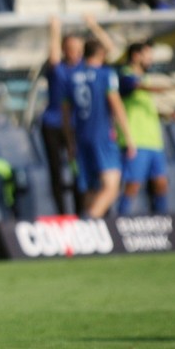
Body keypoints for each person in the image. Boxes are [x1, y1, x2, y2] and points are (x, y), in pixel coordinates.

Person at [42, 14, 118, 215]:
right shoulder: (61, 70)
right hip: (56, 124)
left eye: (78, 48)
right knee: (58, 173)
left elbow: (109, 51)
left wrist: (94, 26)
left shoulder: (85, 70)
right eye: (70, 47)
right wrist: (55, 31)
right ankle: (66, 215)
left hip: (78, 128)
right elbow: (54, 58)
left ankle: (85, 215)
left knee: (84, 177)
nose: (74, 52)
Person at [62, 39, 136, 219]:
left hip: (81, 137)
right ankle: (88, 223)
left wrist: (70, 142)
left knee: (91, 188)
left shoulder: (71, 76)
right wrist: (128, 137)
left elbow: (65, 114)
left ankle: (87, 237)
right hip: (102, 135)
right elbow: (115, 104)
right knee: (111, 187)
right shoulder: (105, 74)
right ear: (101, 54)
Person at [116, 41, 175, 215]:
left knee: (161, 183)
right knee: (133, 184)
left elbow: (146, 106)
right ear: (136, 56)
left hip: (154, 141)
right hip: (136, 140)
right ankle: (122, 220)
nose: (150, 60)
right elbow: (140, 87)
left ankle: (162, 221)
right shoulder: (125, 76)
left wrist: (167, 115)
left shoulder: (145, 78)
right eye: (147, 55)